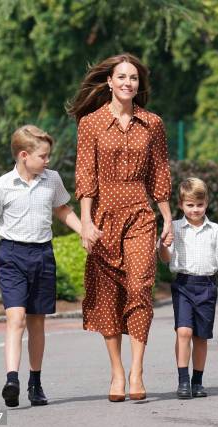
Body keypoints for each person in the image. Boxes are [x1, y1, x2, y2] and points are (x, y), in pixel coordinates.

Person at [68, 53, 173, 402]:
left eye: (134, 78)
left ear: (138, 85)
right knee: (108, 294)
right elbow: (85, 176)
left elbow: (159, 173)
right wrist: (85, 222)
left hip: (140, 213)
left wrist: (168, 219)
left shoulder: (152, 123)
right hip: (102, 217)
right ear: (110, 82)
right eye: (122, 77)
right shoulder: (91, 124)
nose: (128, 83)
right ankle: (116, 372)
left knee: (140, 284)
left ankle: (137, 370)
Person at [0, 125, 82, 407]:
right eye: (43, 156)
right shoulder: (2, 186)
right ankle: (12, 380)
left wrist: (84, 230)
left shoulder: (52, 179)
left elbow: (62, 210)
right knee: (15, 319)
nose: (48, 161)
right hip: (12, 257)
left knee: (36, 322)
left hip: (43, 255)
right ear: (23, 155)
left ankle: (35, 381)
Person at [158, 178, 218, 399]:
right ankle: (183, 380)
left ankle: (197, 381)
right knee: (183, 331)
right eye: (190, 205)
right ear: (180, 205)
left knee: (201, 337)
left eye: (199, 205)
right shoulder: (174, 228)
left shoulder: (215, 230)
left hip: (206, 286)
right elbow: (165, 258)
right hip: (184, 284)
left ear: (206, 203)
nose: (195, 210)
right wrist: (163, 245)